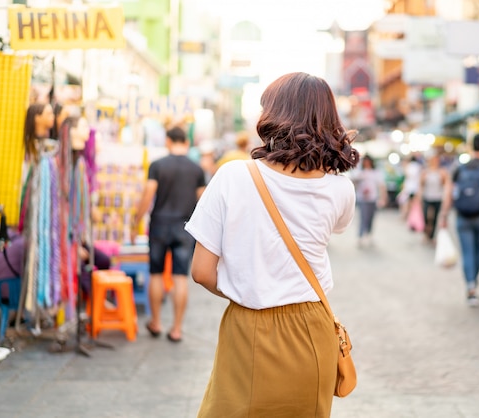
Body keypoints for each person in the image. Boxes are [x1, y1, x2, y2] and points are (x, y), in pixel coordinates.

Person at [184, 72, 358, 417]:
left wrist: (247, 285)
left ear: (272, 117)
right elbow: (337, 228)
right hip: (313, 326)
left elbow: (202, 272)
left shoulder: (233, 176)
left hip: (249, 323)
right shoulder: (340, 189)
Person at [132, 126, 206, 343]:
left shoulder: (157, 166)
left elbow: (148, 195)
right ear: (185, 141)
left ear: (167, 141)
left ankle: (155, 321)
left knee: (155, 274)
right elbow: (203, 201)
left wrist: (136, 220)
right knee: (180, 277)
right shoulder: (196, 169)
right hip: (185, 228)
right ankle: (176, 329)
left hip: (159, 226)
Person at [439, 132, 479, 307]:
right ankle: (474, 281)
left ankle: (470, 287)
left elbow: (448, 193)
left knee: (467, 252)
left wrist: (443, 215)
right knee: (477, 252)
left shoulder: (459, 168)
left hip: (462, 217)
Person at [353, 154, 387, 248]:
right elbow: (354, 182)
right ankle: (360, 235)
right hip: (362, 198)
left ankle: (369, 234)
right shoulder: (360, 172)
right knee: (363, 217)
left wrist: (383, 198)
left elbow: (381, 186)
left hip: (372, 198)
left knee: (371, 217)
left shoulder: (376, 172)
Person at [417, 149, 448, 244]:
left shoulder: (442, 172)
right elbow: (421, 185)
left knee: (434, 217)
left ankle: (431, 236)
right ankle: (426, 232)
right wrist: (418, 198)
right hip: (427, 196)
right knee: (426, 215)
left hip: (437, 197)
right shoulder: (425, 172)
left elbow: (445, 185)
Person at [398, 154, 422, 220]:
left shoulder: (409, 166)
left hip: (409, 188)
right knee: (412, 204)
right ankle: (409, 217)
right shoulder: (418, 166)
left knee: (406, 203)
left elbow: (408, 175)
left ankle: (405, 216)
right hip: (415, 188)